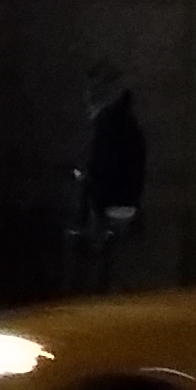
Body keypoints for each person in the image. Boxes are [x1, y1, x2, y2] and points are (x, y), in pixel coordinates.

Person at [76, 60, 146, 287]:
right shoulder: (124, 122)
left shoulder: (108, 124)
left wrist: (94, 197)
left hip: (110, 204)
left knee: (102, 264)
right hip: (123, 202)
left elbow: (104, 168)